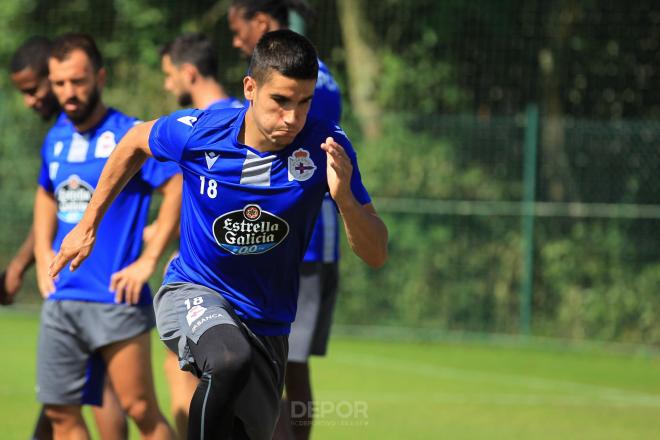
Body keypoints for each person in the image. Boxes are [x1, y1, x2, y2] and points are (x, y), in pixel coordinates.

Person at [50, 30, 388, 440]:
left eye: (304, 102)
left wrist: (346, 202)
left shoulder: (326, 147)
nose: (292, 118)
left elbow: (375, 253)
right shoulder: (201, 131)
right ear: (250, 87)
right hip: (193, 290)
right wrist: (88, 225)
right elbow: (134, 141)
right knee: (228, 358)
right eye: (280, 101)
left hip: (269, 322)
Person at [32, 33, 177, 439]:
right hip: (61, 299)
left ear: (99, 77)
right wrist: (43, 250)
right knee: (61, 413)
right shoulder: (56, 137)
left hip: (115, 299)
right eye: (59, 84)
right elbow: (46, 193)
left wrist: (148, 260)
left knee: (140, 408)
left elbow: (177, 186)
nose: (68, 92)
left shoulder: (128, 135)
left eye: (77, 81)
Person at [227, 1, 343, 437]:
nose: (236, 41)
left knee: (284, 366)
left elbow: (299, 160)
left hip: (303, 241)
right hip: (272, 237)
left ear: (260, 23)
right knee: (281, 367)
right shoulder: (318, 74)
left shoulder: (305, 83)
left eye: (238, 31)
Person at [6, 36, 129, 440]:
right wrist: (33, 258)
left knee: (108, 393)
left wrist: (147, 251)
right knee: (60, 406)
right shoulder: (60, 134)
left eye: (33, 90)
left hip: (102, 291)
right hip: (66, 290)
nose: (32, 100)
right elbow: (51, 200)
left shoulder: (108, 130)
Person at [157, 32, 243, 439]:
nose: (166, 84)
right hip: (242, 282)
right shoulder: (246, 115)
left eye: (169, 74)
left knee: (189, 377)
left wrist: (155, 239)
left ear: (188, 73)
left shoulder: (203, 126)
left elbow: (179, 188)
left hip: (215, 286)